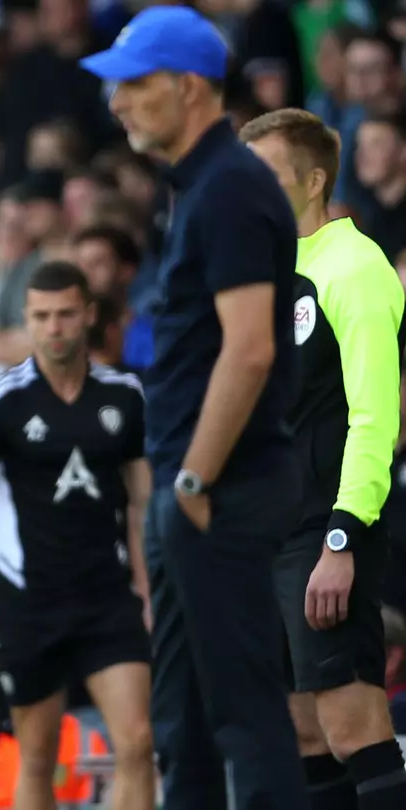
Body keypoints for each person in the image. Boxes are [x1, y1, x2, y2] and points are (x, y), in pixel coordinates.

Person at [81, 8, 310, 810]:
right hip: (195, 484)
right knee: (182, 723)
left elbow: (250, 350)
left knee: (246, 714)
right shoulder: (199, 188)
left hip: (221, 485)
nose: (118, 105)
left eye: (134, 86)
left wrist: (192, 484)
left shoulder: (232, 187)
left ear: (186, 87)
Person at [0, 261, 156, 810]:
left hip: (108, 597)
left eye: (64, 315)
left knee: (139, 742)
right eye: (41, 317)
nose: (53, 327)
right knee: (38, 758)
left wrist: (152, 593)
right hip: (31, 601)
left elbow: (143, 505)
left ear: (88, 316)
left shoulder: (125, 396)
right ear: (27, 321)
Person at [241, 108, 406, 810]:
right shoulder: (267, 270)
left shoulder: (354, 265)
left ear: (313, 181)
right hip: (268, 528)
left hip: (326, 525)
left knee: (351, 724)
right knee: (301, 731)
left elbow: (377, 415)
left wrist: (341, 536)